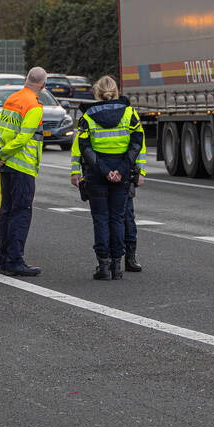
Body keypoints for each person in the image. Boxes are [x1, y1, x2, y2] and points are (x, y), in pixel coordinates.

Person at [70, 75, 145, 280]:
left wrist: (104, 171)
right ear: (116, 91)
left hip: (97, 174)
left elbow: (84, 147)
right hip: (121, 174)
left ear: (97, 92)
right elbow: (136, 144)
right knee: (118, 219)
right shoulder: (129, 113)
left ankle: (103, 266)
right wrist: (121, 170)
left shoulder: (87, 116)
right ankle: (117, 266)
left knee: (101, 219)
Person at [0, 67, 46, 276]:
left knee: (7, 212)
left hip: (6, 166)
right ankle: (14, 261)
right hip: (22, 166)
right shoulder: (34, 105)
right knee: (21, 213)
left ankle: (6, 259)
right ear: (43, 84)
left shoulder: (12, 99)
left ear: (26, 79)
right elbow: (23, 138)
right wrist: (0, 155)